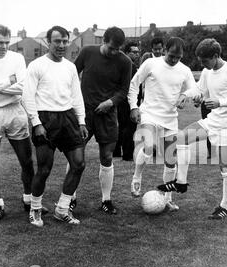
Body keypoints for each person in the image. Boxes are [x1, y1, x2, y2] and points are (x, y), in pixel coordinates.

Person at [157, 38, 227, 219]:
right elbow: (199, 89)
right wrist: (186, 95)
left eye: (205, 60)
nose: (202, 64)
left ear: (215, 56)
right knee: (181, 137)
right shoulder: (208, 71)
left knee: (225, 166)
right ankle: (181, 182)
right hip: (212, 121)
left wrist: (219, 102)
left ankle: (225, 206)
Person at [22, 25, 88, 227]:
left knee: (79, 164)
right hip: (45, 119)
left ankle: (62, 208)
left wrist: (81, 120)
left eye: (64, 41)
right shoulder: (36, 65)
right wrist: (37, 123)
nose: (61, 45)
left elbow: (76, 96)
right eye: (57, 41)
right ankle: (35, 209)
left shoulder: (69, 67)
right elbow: (27, 96)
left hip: (68, 118)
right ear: (48, 42)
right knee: (44, 168)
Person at [129, 37, 196, 212]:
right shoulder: (151, 63)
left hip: (170, 118)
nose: (174, 60)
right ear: (165, 50)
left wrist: (186, 95)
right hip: (150, 113)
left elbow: (194, 89)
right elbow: (134, 84)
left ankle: (168, 198)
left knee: (170, 159)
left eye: (178, 57)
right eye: (172, 55)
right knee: (149, 147)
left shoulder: (185, 70)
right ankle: (137, 176)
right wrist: (133, 107)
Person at [73, 27, 132, 215]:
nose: (114, 52)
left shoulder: (125, 61)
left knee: (107, 156)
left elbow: (124, 90)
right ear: (103, 40)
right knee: (76, 155)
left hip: (107, 114)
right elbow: (72, 77)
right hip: (84, 113)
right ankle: (70, 197)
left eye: (118, 49)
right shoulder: (87, 52)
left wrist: (110, 102)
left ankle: (106, 200)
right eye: (111, 48)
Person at [0, 24, 47, 222]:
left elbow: (24, 87)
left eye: (7, 42)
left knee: (26, 161)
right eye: (0, 42)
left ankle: (29, 201)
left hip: (16, 111)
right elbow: (16, 84)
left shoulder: (16, 58)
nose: (4, 46)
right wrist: (10, 81)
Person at [113, 41, 141, 161]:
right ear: (127, 53)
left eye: (137, 52)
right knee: (129, 127)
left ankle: (116, 151)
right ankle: (128, 154)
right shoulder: (131, 66)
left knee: (122, 126)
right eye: (134, 52)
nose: (137, 54)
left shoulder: (122, 65)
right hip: (128, 100)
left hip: (122, 99)